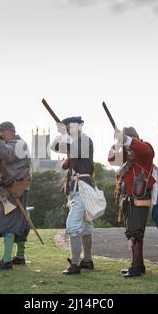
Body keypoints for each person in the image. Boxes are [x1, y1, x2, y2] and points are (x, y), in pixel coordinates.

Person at [50, 116, 95, 275]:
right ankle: (87, 260)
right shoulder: (72, 141)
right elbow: (54, 147)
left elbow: (74, 146)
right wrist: (61, 133)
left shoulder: (84, 140)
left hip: (82, 188)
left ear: (79, 126)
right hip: (78, 188)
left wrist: (65, 134)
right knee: (85, 225)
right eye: (67, 126)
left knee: (73, 225)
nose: (69, 127)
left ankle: (75, 264)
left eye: (71, 125)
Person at [108, 127, 155, 277]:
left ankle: (136, 268)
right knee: (133, 233)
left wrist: (127, 140)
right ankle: (139, 265)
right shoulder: (126, 155)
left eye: (127, 140)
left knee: (135, 232)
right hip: (127, 199)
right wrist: (117, 142)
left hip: (139, 198)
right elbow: (111, 159)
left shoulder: (144, 149)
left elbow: (146, 151)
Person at [0, 122, 32, 270]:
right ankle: (20, 257)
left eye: (2, 132)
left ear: (11, 131)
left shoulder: (18, 144)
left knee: (9, 225)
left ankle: (6, 261)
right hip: (12, 190)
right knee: (19, 223)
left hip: (14, 189)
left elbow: (7, 155)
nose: (2, 134)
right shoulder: (11, 143)